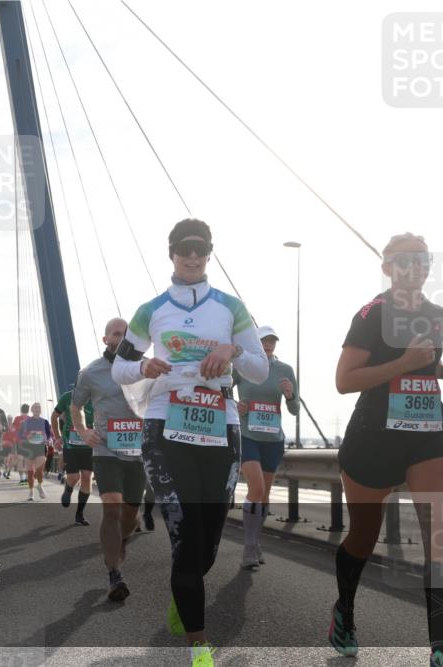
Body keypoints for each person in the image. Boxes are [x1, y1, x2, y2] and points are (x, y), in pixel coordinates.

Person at [112, 218, 268, 666]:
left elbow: (259, 368)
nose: (193, 257)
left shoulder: (231, 308)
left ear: (209, 254)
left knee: (209, 543)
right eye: (185, 250)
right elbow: (120, 369)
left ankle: (184, 599)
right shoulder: (151, 309)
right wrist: (144, 368)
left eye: (200, 250)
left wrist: (232, 352)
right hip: (165, 426)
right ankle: (199, 647)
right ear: (172, 254)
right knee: (185, 535)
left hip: (220, 425)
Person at [330, 234, 443, 664]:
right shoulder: (372, 314)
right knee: (364, 534)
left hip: (428, 433)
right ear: (388, 268)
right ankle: (344, 610)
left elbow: (425, 361)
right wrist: (402, 362)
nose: (414, 266)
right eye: (404, 260)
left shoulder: (439, 314)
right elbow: (345, 380)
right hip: (374, 436)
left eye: (421, 259)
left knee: (442, 531)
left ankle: (439, 644)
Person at [72, 317, 148, 602]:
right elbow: (76, 406)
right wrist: (82, 430)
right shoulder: (91, 372)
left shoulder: (147, 368)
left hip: (139, 451)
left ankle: (121, 542)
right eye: (117, 334)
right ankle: (114, 572)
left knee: (130, 515)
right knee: (112, 506)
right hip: (106, 449)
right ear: (106, 340)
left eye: (127, 333)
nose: (122, 337)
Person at [234, 325, 298, 569]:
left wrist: (290, 395)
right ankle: (249, 547)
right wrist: (235, 405)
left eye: (272, 341)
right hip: (248, 435)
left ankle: (255, 541)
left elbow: (294, 410)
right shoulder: (242, 367)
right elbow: (221, 390)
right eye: (264, 340)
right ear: (255, 342)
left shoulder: (285, 370)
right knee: (256, 488)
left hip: (273, 439)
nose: (268, 344)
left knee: (265, 494)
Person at [53, 389, 95, 525]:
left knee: (87, 476)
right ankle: (68, 488)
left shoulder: (97, 397)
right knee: (74, 477)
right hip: (70, 445)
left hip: (89, 446)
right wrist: (58, 437)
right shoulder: (67, 397)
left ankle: (80, 514)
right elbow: (54, 416)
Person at [17, 403, 52, 501]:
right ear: (32, 410)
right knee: (30, 472)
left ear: (40, 410)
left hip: (40, 447)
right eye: (35, 407)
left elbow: (49, 435)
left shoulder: (45, 422)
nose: (37, 409)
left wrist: (48, 440)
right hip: (29, 448)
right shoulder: (26, 422)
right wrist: (26, 437)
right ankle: (31, 492)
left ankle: (40, 485)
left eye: (39, 408)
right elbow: (19, 436)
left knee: (40, 470)